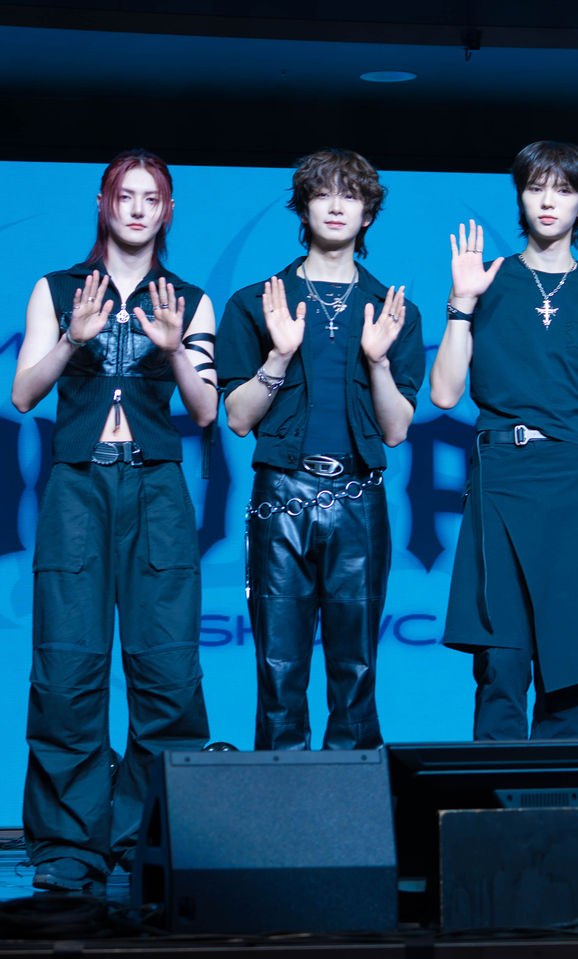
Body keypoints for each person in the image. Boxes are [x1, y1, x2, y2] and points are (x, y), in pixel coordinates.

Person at [13, 149, 214, 892]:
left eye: (150, 197)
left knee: (166, 670)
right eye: (123, 195)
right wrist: (71, 338)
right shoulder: (57, 288)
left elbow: (204, 411)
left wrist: (174, 352)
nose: (135, 208)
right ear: (102, 202)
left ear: (166, 210)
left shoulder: (188, 298)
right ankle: (69, 844)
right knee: (67, 667)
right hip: (77, 489)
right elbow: (25, 391)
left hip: (156, 489)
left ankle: (148, 839)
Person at [217, 148, 423, 751]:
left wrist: (379, 361)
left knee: (355, 670)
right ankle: (280, 826)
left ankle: (353, 828)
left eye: (351, 194)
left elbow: (395, 431)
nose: (336, 204)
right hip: (282, 492)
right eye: (323, 193)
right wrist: (278, 356)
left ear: (367, 214)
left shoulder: (390, 310)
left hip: (359, 498)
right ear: (303, 208)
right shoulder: (256, 302)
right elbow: (235, 418)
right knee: (278, 668)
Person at [432, 141, 578, 740]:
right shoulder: (487, 281)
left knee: (566, 666)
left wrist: (575, 468)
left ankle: (560, 819)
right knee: (500, 663)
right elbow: (444, 394)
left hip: (570, 482)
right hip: (499, 474)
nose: (549, 201)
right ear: (519, 196)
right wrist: (461, 304)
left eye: (565, 189)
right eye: (536, 187)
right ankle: (488, 820)